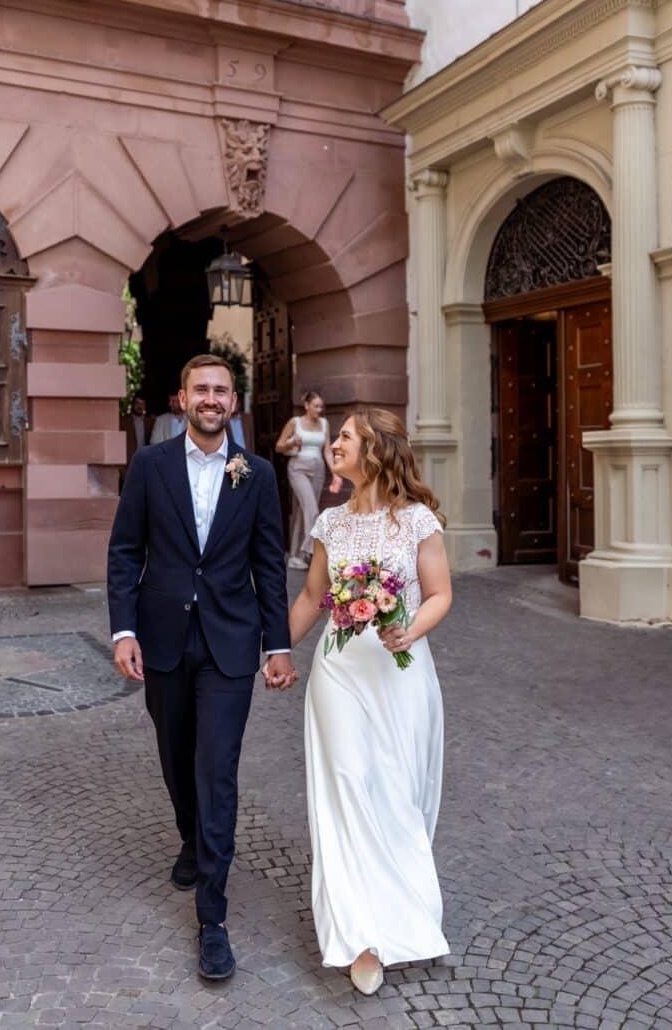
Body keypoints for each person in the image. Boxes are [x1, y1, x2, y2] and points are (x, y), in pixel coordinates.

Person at [107, 356, 297, 982]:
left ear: (233, 403)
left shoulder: (258, 475)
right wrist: (125, 630)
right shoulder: (150, 466)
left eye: (221, 390)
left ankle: (212, 917)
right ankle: (190, 837)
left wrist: (278, 644)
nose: (211, 399)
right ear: (181, 398)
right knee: (175, 758)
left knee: (216, 768)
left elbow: (269, 564)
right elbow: (126, 550)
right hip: (162, 639)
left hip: (229, 645)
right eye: (201, 389)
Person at [287, 408, 452, 995]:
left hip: (400, 674)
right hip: (339, 673)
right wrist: (276, 652)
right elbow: (311, 598)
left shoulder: (417, 522)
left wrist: (410, 630)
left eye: (347, 438)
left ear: (376, 450)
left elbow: (439, 594)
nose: (335, 445)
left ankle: (403, 916)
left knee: (394, 793)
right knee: (348, 784)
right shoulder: (330, 523)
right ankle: (359, 935)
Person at [275, 392, 342, 570]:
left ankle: (295, 556)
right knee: (311, 509)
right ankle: (311, 551)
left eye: (321, 407)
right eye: (316, 406)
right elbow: (279, 446)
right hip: (298, 468)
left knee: (302, 511)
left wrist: (335, 472)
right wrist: (291, 442)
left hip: (318, 469)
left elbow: (327, 449)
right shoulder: (294, 422)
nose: (319, 410)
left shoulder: (324, 423)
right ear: (307, 405)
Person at [120, 394, 153, 468]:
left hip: (146, 463)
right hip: (128, 464)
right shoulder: (123, 422)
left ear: (145, 406)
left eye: (142, 404)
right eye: (137, 403)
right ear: (133, 404)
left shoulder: (151, 422)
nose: (139, 406)